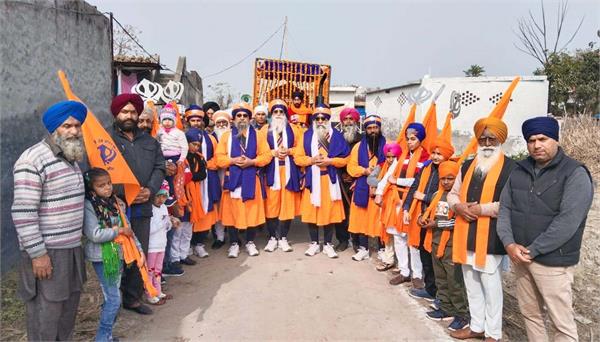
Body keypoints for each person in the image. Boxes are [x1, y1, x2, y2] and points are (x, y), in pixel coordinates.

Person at [497, 116, 593, 342]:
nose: (537, 145)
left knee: (562, 323)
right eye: (531, 140)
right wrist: (509, 244)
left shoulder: (575, 173)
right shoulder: (519, 171)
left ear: (555, 140)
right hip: (520, 257)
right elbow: (505, 209)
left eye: (543, 138)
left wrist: (533, 250)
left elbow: (568, 222)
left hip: (553, 261)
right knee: (530, 314)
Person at [12, 100, 88, 340]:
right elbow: (23, 212)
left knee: (67, 313)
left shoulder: (71, 157)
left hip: (71, 249)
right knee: (46, 316)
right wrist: (38, 254)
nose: (74, 131)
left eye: (77, 125)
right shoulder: (32, 159)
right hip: (48, 253)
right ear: (54, 128)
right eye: (67, 126)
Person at [448, 117, 516, 341]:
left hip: (491, 235)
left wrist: (480, 210)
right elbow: (452, 193)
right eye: (483, 138)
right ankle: (476, 326)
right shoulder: (468, 164)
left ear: (500, 141)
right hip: (465, 232)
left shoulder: (511, 168)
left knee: (490, 285)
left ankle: (493, 333)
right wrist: (457, 206)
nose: (487, 143)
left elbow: (509, 203)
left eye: (492, 139)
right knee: (471, 282)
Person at [110, 93, 165, 315]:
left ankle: (133, 298)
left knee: (139, 250)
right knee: (117, 255)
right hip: (116, 208)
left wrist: (150, 189)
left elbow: (160, 167)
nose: (130, 115)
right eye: (125, 111)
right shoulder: (107, 141)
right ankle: (112, 302)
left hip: (143, 206)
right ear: (117, 114)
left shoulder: (150, 141)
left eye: (133, 111)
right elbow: (100, 173)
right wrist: (127, 193)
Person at [83, 168, 136, 342]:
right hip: (102, 257)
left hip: (117, 253)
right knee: (113, 299)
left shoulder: (116, 202)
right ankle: (101, 337)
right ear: (92, 189)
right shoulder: (90, 205)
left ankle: (108, 335)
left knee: (111, 297)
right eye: (101, 185)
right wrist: (118, 230)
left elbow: (128, 228)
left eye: (109, 183)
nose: (107, 188)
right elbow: (95, 234)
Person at [418, 161, 470, 332]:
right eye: (443, 179)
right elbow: (428, 213)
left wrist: (437, 224)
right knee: (440, 278)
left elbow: (458, 221)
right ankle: (446, 308)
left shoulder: (460, 197)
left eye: (451, 178)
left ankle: (461, 315)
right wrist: (422, 219)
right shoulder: (436, 195)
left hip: (452, 244)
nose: (446, 182)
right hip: (435, 242)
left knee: (454, 281)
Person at [216, 103, 273, 258]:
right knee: (232, 212)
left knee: (251, 212)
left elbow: (267, 156)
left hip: (251, 179)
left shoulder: (258, 135)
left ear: (249, 118)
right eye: (239, 116)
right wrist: (233, 160)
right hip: (232, 179)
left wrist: (252, 162)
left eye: (245, 116)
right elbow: (219, 159)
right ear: (234, 119)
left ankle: (250, 242)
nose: (242, 118)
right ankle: (234, 243)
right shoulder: (226, 136)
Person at [295, 105, 350, 258]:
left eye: (323, 118)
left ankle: (327, 244)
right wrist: (311, 160)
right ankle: (314, 243)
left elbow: (346, 159)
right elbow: (298, 158)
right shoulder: (306, 136)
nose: (320, 121)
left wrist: (330, 161)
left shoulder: (337, 136)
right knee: (312, 213)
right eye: (317, 118)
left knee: (329, 213)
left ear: (328, 120)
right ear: (313, 120)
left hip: (330, 179)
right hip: (312, 180)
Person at [403, 137, 455, 300]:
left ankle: (442, 295)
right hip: (423, 216)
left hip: (441, 219)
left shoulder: (452, 171)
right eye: (433, 153)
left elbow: (449, 196)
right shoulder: (426, 168)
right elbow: (414, 187)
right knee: (425, 254)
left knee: (438, 259)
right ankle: (430, 289)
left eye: (439, 154)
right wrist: (406, 208)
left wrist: (425, 197)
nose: (435, 156)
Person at [385, 123, 430, 287]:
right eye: (408, 139)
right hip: (397, 199)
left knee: (413, 239)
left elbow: (419, 181)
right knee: (398, 237)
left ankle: (417, 275)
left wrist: (398, 181)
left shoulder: (426, 157)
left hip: (413, 202)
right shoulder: (402, 156)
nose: (410, 142)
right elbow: (390, 175)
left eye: (413, 139)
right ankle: (404, 271)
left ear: (420, 139)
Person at [260, 100, 302, 252]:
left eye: (281, 112)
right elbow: (259, 150)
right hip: (271, 172)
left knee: (287, 205)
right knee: (271, 206)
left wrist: (289, 151)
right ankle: (272, 237)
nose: (278, 115)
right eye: (276, 112)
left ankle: (283, 238)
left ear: (285, 114)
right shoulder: (264, 130)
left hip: (289, 172)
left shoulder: (295, 130)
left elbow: (301, 148)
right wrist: (272, 152)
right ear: (271, 114)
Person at [346, 115, 386, 261]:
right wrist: (364, 171)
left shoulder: (387, 146)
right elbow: (351, 167)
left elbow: (392, 164)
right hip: (362, 186)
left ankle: (382, 249)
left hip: (381, 188)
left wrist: (379, 172)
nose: (373, 130)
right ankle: (363, 248)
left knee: (380, 219)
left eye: (375, 127)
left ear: (380, 129)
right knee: (362, 218)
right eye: (369, 128)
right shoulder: (358, 147)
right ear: (365, 130)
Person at [179, 127, 212, 258]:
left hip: (195, 193)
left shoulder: (200, 158)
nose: (196, 148)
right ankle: (179, 255)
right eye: (194, 144)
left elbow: (202, 174)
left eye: (198, 145)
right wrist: (190, 176)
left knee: (189, 225)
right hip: (182, 193)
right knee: (180, 227)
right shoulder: (181, 157)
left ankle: (187, 251)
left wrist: (190, 176)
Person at [372, 142, 403, 270]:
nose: (390, 159)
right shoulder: (384, 166)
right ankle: (389, 259)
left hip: (396, 203)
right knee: (388, 232)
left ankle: (401, 265)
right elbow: (375, 180)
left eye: (393, 157)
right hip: (385, 203)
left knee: (397, 234)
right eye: (388, 157)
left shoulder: (401, 166)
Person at [147, 181, 179, 305]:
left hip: (161, 244)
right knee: (150, 271)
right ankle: (150, 293)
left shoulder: (164, 207)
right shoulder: (150, 209)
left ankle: (158, 291)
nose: (161, 199)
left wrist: (171, 223)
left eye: (164, 196)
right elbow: (150, 229)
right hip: (151, 246)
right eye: (158, 196)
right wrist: (164, 221)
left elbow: (166, 227)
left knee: (158, 270)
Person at [336, 107, 363, 252]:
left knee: (356, 212)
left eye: (350, 119)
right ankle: (342, 240)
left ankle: (357, 241)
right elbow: (333, 157)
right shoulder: (336, 138)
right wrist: (341, 174)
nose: (348, 121)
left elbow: (364, 160)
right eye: (345, 119)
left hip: (357, 181)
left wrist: (353, 176)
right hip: (339, 180)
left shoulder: (362, 139)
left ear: (356, 121)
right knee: (340, 212)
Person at [211, 110, 233, 248]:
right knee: (218, 205)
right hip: (214, 175)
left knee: (231, 205)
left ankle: (234, 237)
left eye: (224, 122)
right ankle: (219, 236)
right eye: (218, 123)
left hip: (231, 173)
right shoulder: (210, 137)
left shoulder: (234, 135)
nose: (221, 125)